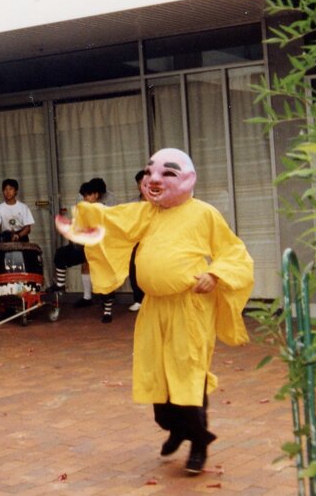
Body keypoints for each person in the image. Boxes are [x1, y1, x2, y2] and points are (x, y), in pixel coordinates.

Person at [57, 148, 253, 475]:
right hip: (154, 309)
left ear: (187, 179)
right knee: (157, 379)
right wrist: (85, 213)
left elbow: (234, 253)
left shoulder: (204, 214)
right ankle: (176, 428)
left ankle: (199, 442)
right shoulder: (147, 213)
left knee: (188, 374)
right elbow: (114, 220)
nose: (154, 180)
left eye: (166, 173)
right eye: (150, 173)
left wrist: (215, 274)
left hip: (189, 308)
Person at [48, 178, 107, 316]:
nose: (86, 197)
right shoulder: (82, 207)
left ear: (96, 195)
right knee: (61, 254)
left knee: (104, 274)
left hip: (100, 247)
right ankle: (60, 284)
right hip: (83, 246)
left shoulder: (103, 209)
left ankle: (107, 307)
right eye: (85, 195)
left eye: (88, 195)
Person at [127, 169, 147, 312]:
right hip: (137, 240)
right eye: (139, 183)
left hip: (156, 241)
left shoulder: (160, 201)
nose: (142, 186)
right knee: (134, 269)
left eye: (145, 183)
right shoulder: (133, 202)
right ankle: (138, 299)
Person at [0, 178, 34, 242]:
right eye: (5, 189)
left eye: (11, 189)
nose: (8, 192)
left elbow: (28, 228)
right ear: (3, 191)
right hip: (5, 237)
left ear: (16, 191)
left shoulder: (24, 207)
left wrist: (18, 236)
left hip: (21, 236)